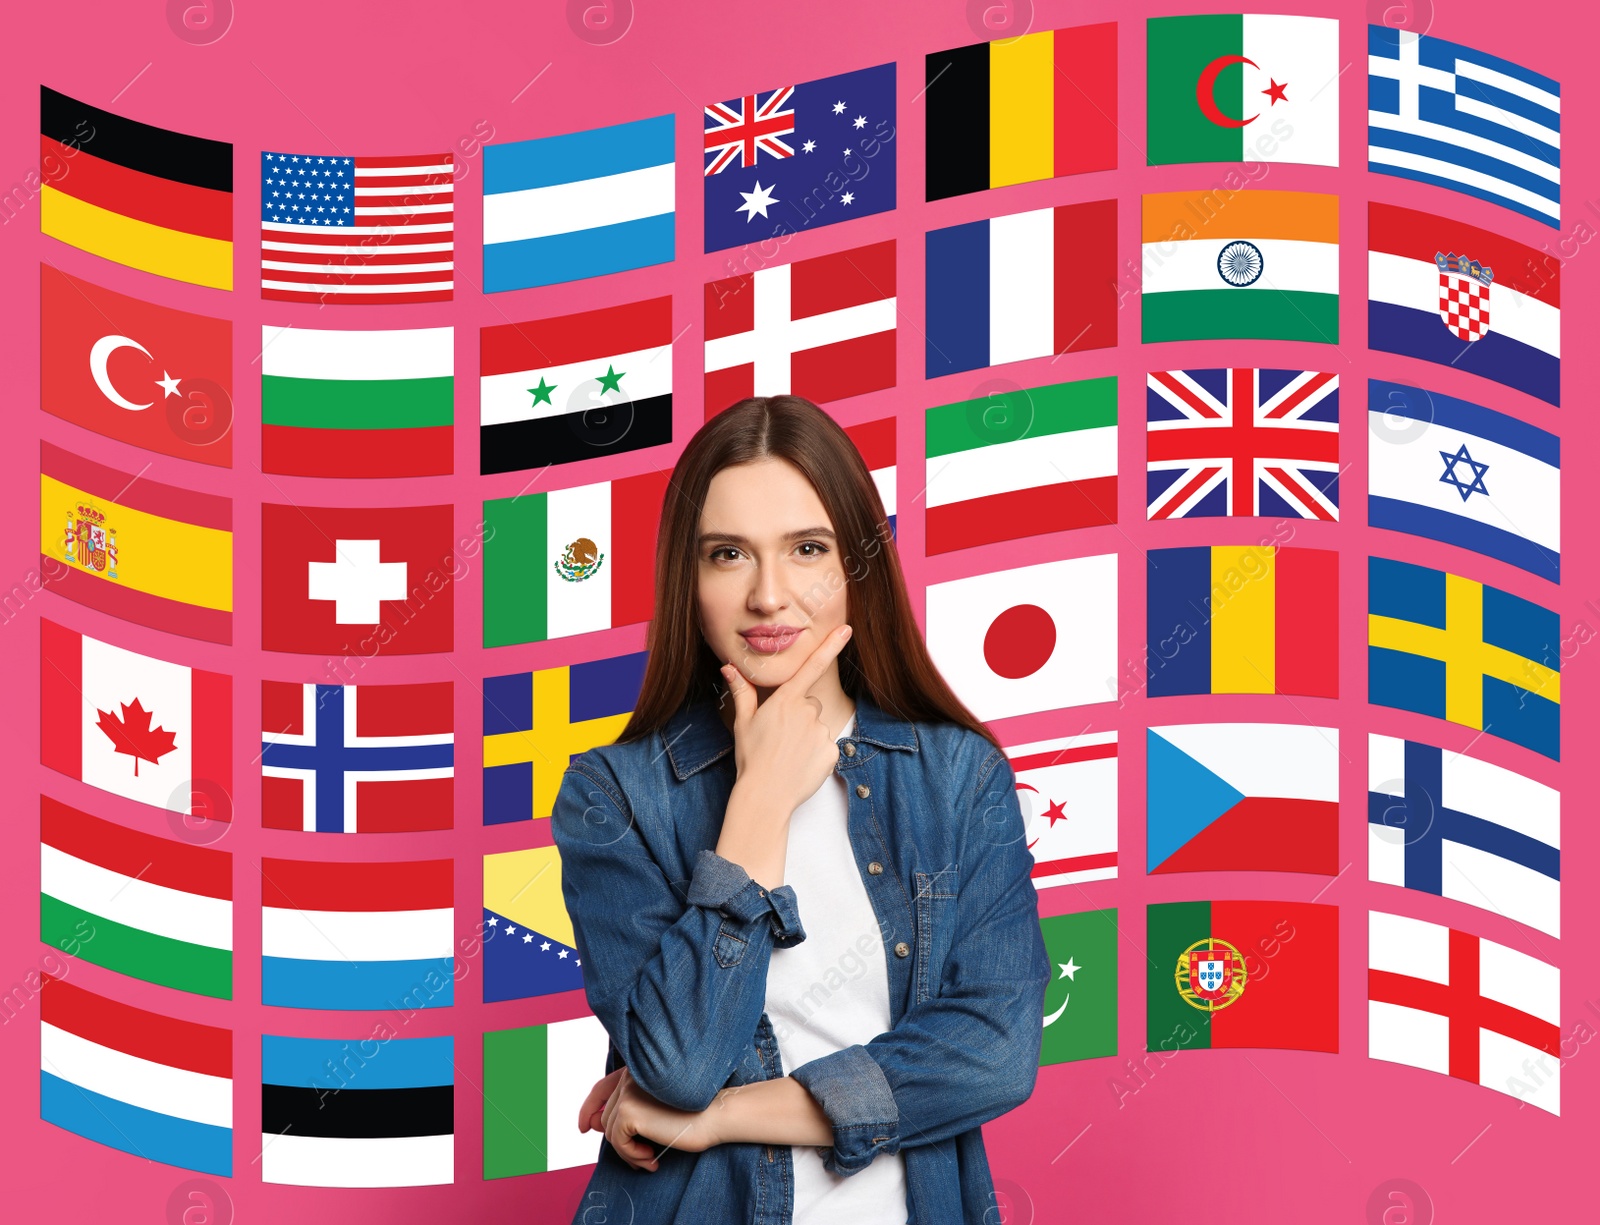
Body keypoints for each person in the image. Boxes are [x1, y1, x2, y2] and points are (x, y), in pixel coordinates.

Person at [550, 394, 1051, 1225]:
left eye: (807, 548)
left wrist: (718, 1118)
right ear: (690, 575)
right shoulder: (617, 795)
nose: (768, 595)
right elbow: (679, 1063)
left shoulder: (957, 776)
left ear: (854, 565)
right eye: (728, 554)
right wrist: (759, 801)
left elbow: (995, 1054)